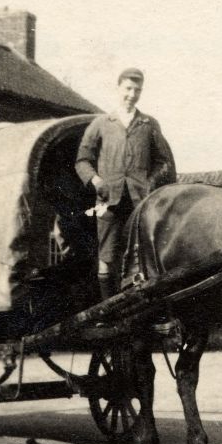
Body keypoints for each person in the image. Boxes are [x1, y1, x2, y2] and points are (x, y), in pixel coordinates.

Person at [75, 67, 174, 299]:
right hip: (108, 201)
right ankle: (108, 309)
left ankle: (142, 309)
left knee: (144, 256)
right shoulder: (101, 123)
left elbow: (164, 161)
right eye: (128, 89)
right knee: (106, 258)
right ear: (118, 88)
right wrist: (96, 179)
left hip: (141, 202)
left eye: (137, 90)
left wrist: (150, 183)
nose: (132, 94)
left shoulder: (148, 124)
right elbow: (82, 160)